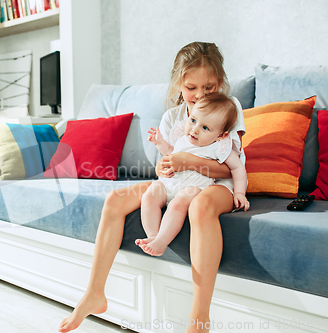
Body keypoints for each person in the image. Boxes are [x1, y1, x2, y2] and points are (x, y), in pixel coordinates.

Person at [59, 41, 246, 333]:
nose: (199, 96)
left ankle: (199, 320)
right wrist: (165, 165)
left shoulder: (228, 108)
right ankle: (94, 294)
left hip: (217, 183)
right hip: (179, 181)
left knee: (200, 206)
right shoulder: (172, 117)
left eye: (209, 88)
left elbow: (229, 166)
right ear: (179, 84)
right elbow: (167, 163)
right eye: (191, 88)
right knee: (115, 199)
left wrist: (188, 161)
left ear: (220, 83)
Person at [136, 92, 250, 257]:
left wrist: (240, 193)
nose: (195, 130)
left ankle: (162, 241)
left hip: (194, 187)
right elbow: (171, 154)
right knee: (149, 196)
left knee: (178, 203)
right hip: (169, 183)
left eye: (205, 128)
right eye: (193, 121)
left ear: (221, 135)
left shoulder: (219, 146)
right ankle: (153, 236)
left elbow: (238, 169)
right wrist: (160, 143)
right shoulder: (183, 137)